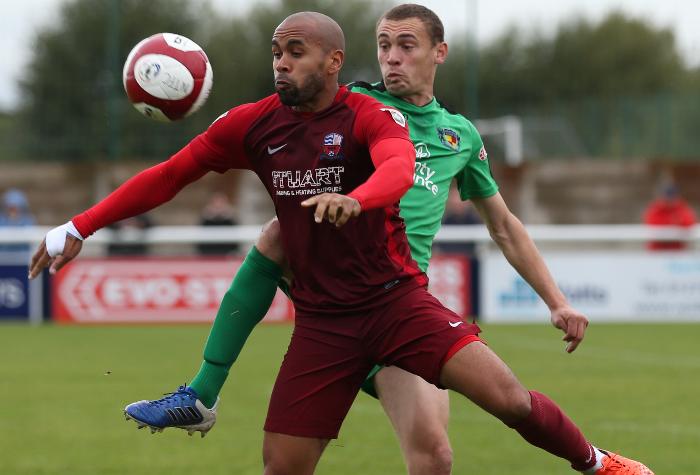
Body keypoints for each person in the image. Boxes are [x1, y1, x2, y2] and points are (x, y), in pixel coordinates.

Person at [29, 9, 653, 475]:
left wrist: (556, 299)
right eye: (383, 45)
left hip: (399, 304)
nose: (391, 57)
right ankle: (200, 393)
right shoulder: (302, 114)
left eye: (406, 45)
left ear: (440, 52)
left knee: (450, 444)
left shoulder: (444, 132)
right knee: (283, 453)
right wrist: (76, 226)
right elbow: (167, 176)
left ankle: (598, 464)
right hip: (326, 317)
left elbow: (467, 205)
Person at [643, 183, 697, 250]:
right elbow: (652, 224)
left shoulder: (682, 208)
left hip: (678, 250)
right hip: (658, 250)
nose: (669, 201)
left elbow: (689, 223)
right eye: (667, 198)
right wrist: (673, 223)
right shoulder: (655, 209)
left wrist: (678, 222)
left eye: (672, 198)